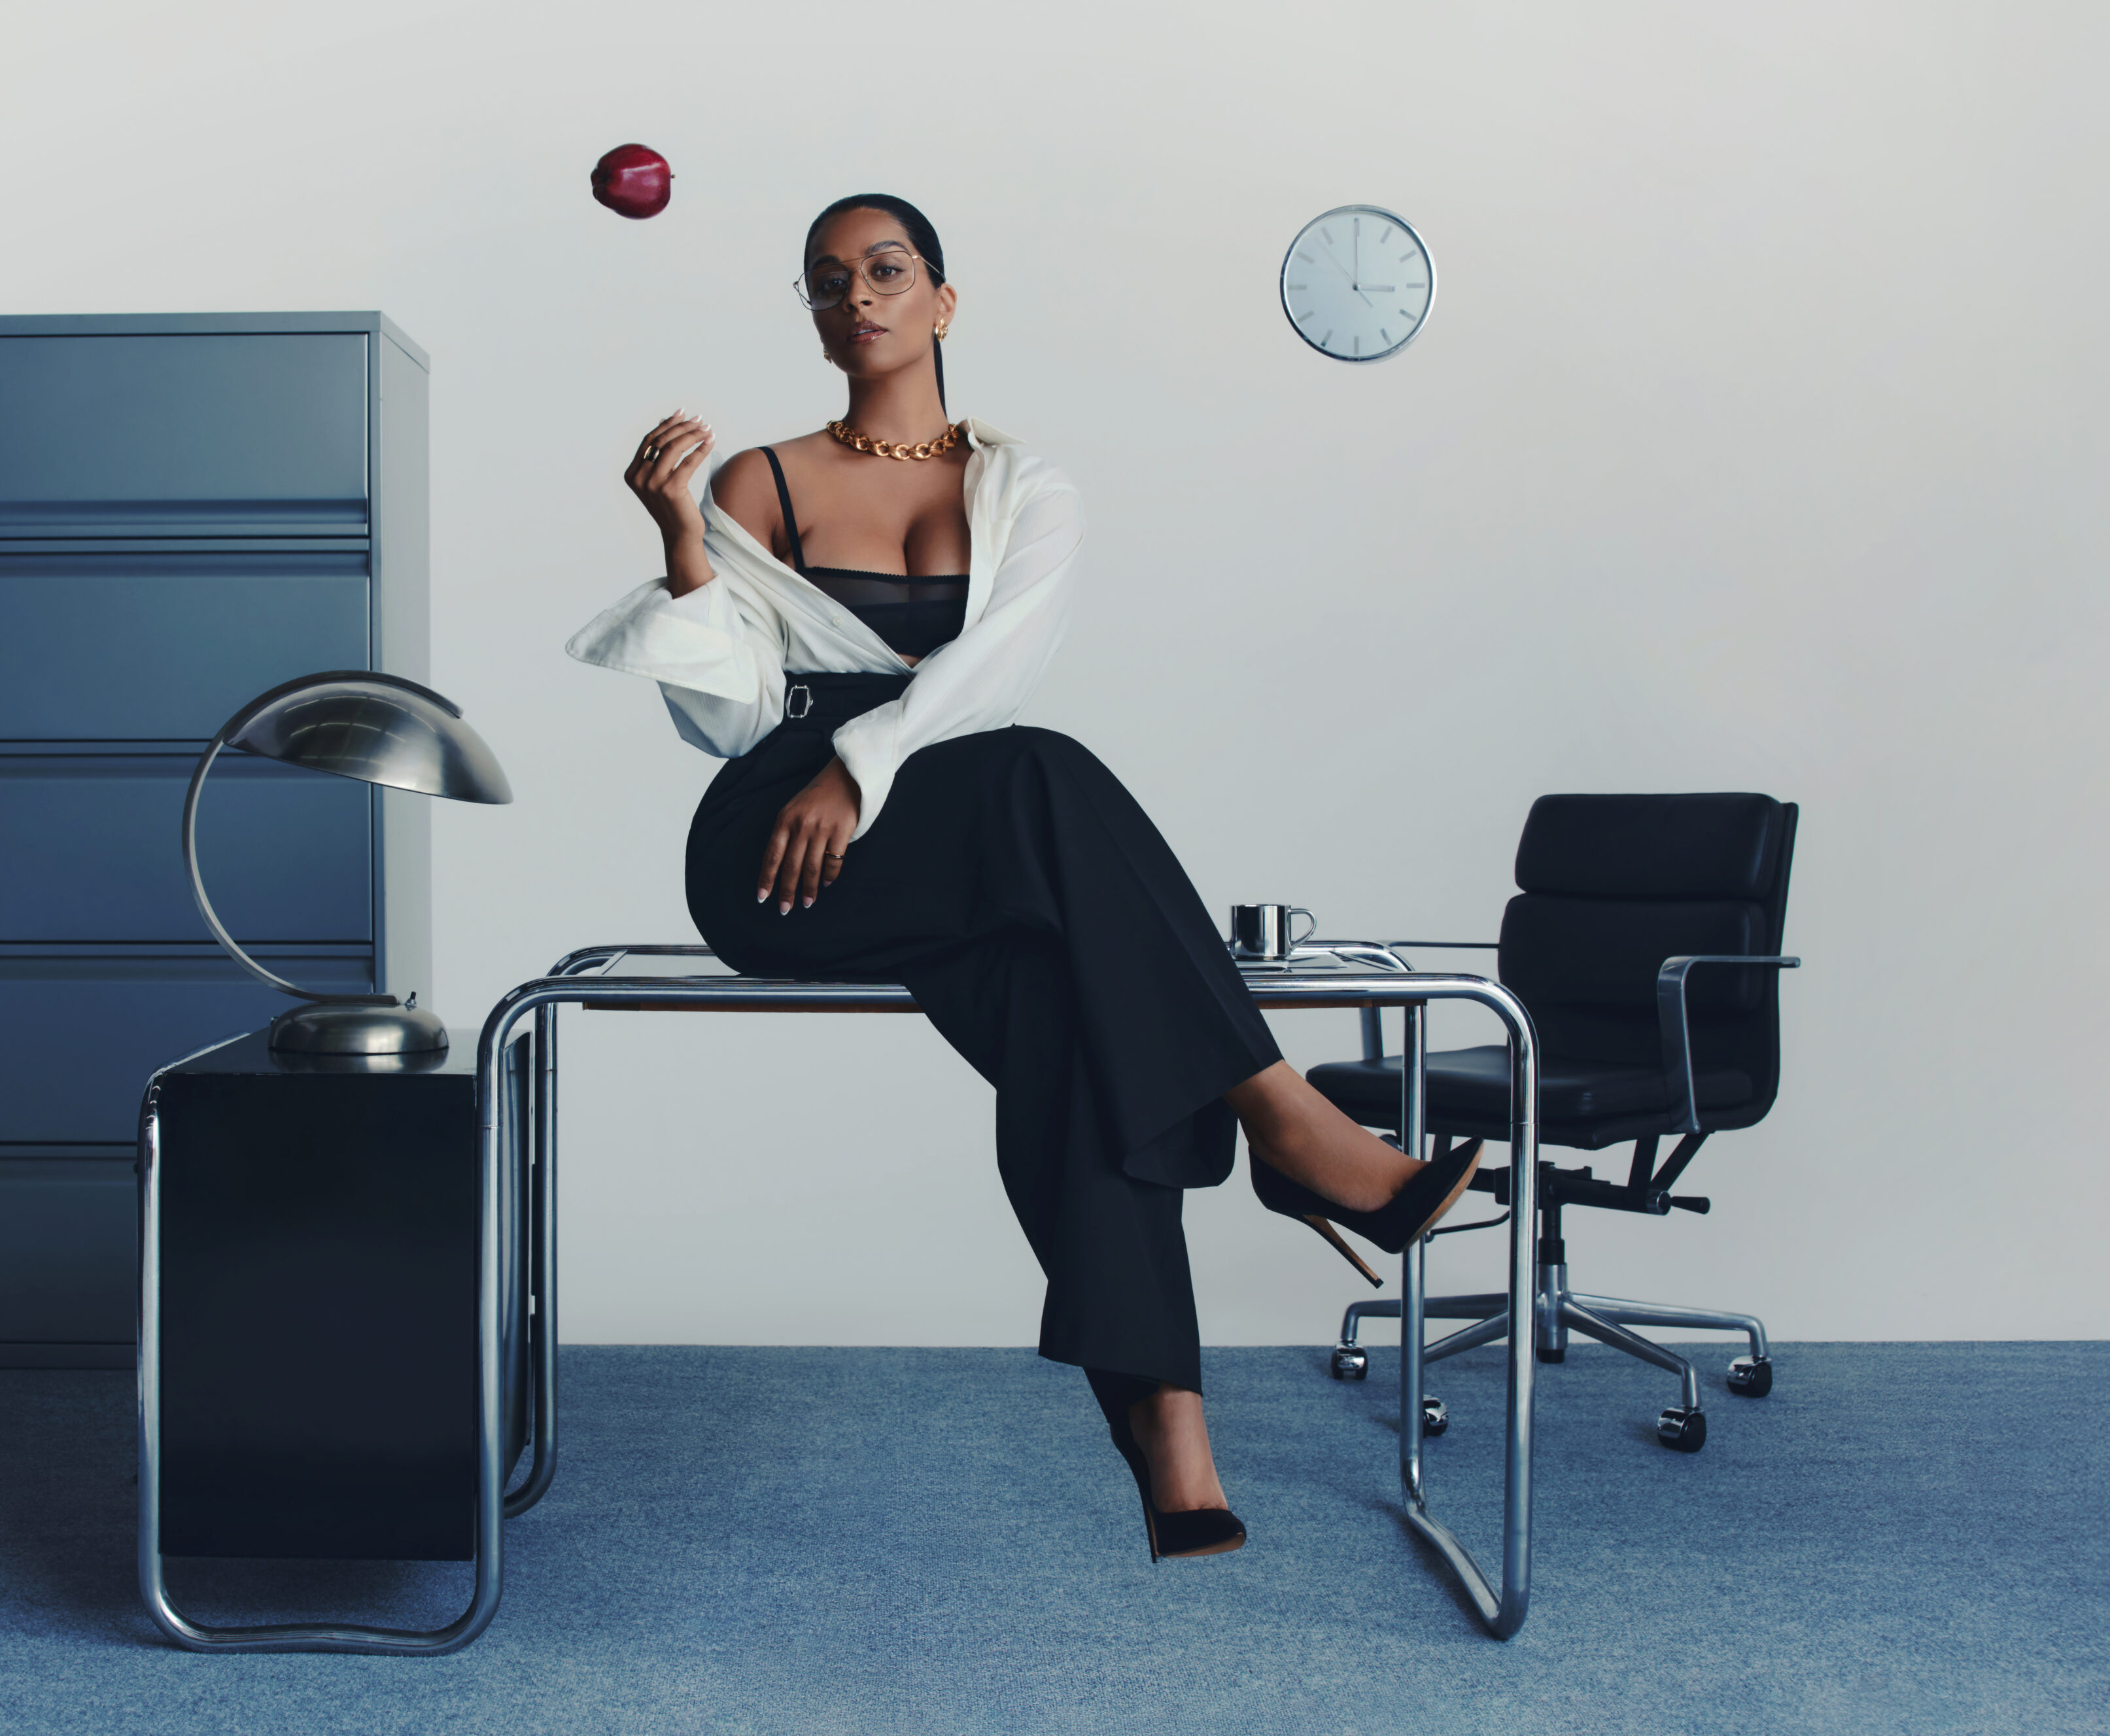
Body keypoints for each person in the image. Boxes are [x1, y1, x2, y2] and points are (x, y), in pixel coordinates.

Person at [566, 194, 1481, 1561]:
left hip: (949, 825)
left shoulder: (1023, 486)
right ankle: (1287, 1126)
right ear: (812, 317)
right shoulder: (754, 479)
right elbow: (730, 719)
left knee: (1068, 1008)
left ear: (944, 300)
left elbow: (989, 672)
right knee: (1040, 772)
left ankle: (1162, 1425)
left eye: (884, 272)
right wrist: (680, 546)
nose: (856, 298)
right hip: (777, 849)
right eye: (827, 282)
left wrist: (864, 762)